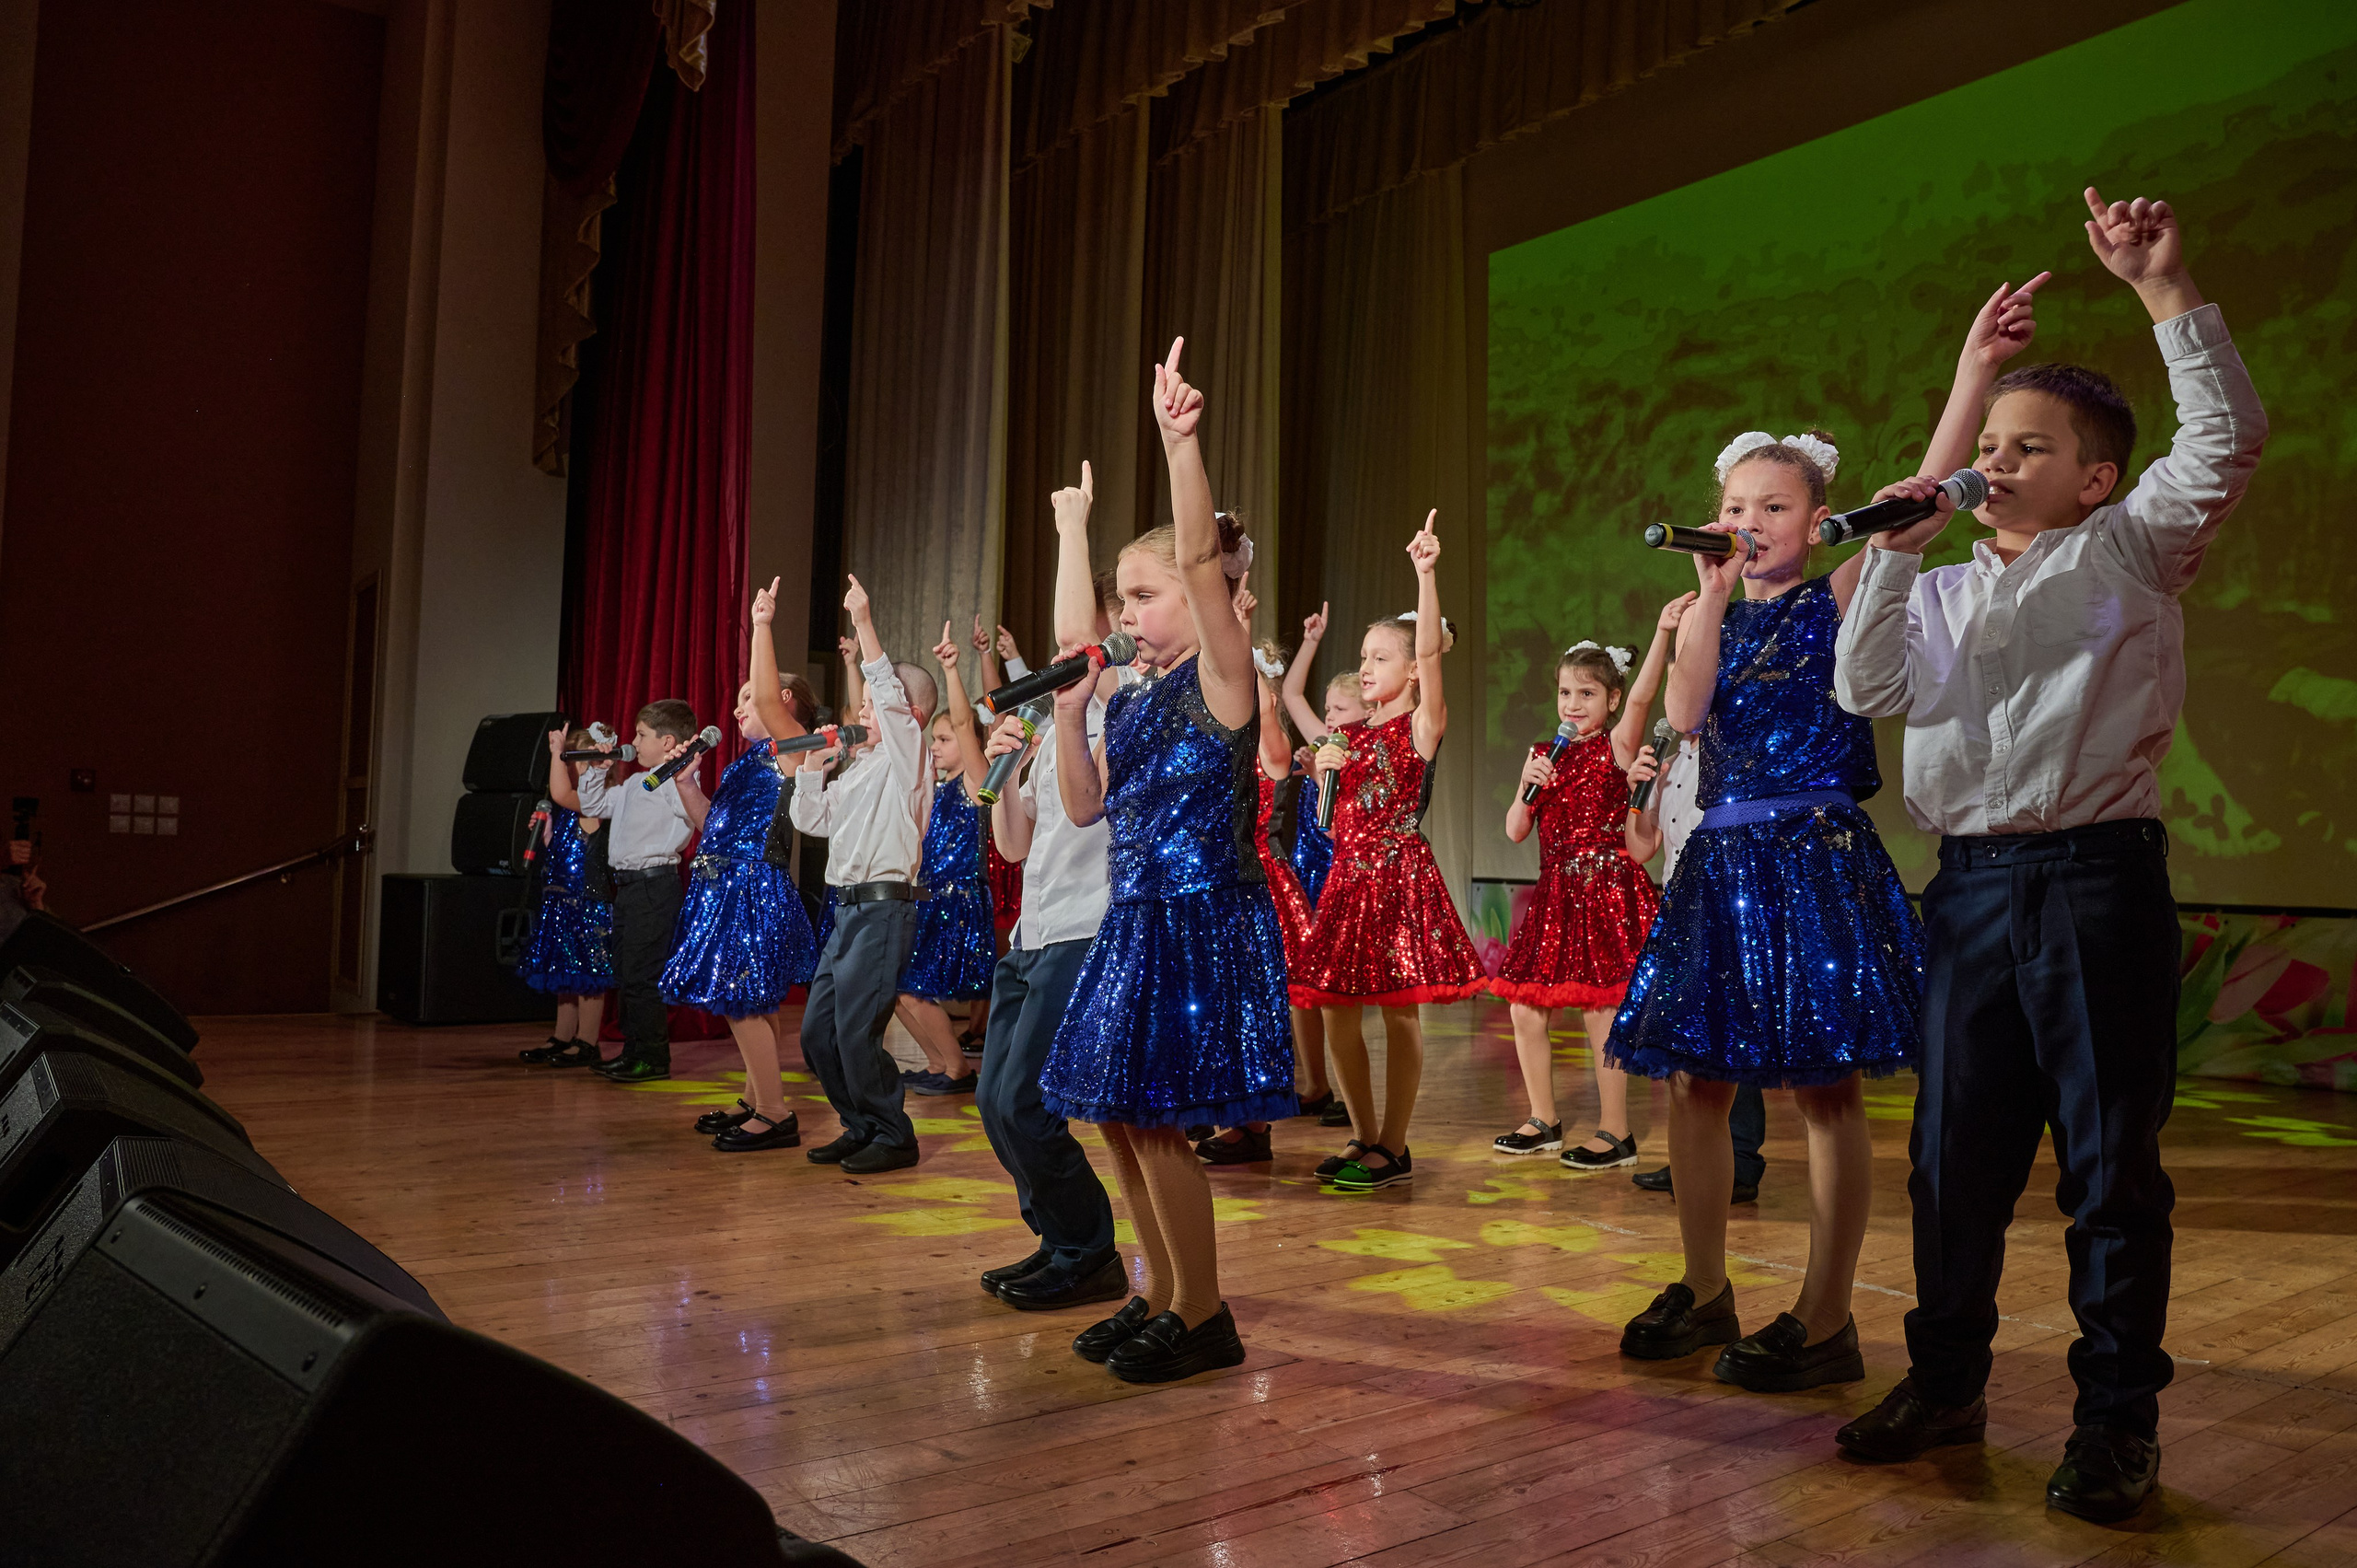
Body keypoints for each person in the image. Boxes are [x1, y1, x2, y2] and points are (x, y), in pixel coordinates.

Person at [1831, 193, 2265, 1525]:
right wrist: (1900, 552)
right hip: (1966, 886)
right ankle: (1946, 1380)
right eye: (1991, 441)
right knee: (1952, 1159)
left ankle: (2115, 1420)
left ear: (2094, 477)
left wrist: (2162, 286)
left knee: (2106, 1169)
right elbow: (1866, 688)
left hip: (2093, 882)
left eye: (2034, 446)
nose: (1999, 461)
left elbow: (2225, 439)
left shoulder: (2132, 549)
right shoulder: (1945, 585)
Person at [1605, 420, 1926, 1394]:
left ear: (1818, 521)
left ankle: (1826, 1315)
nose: (1749, 522)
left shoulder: (1836, 594)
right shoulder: (1715, 612)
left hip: (1813, 852)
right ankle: (1706, 1288)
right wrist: (1703, 600)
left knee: (1826, 1091)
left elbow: (1911, 511)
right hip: (1723, 856)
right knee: (1691, 1082)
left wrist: (1970, 373)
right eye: (1735, 507)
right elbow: (1690, 713)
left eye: (1773, 506)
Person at [1041, 341, 1294, 1383]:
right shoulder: (1136, 697)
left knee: (1163, 1123)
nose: (1126, 612)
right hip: (1136, 914)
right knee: (1117, 1116)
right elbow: (1084, 803)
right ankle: (1155, 1290)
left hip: (1201, 918)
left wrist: (1178, 444)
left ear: (1208, 602)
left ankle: (1204, 1310)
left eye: (1142, 594)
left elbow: (1198, 561)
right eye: (1121, 596)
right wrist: (1065, 711)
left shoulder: (1226, 677)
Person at [1286, 528, 1486, 1193]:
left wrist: (1426, 574)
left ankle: (1393, 1145)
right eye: (1363, 656)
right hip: (1348, 877)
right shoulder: (1344, 737)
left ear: (1409, 670)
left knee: (1400, 1012)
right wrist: (1325, 771)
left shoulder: (1420, 725)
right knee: (1337, 1009)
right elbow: (1295, 728)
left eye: (1380, 656)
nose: (1366, 667)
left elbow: (1429, 650)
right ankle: (1363, 1130)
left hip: (1398, 876)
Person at [971, 463, 1125, 1315]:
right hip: (1032, 932)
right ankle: (1058, 1237)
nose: (1071, 653)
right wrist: (999, 774)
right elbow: (1017, 843)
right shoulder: (1048, 723)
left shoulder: (1123, 706)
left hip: (1085, 927)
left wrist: (1074, 526)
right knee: (996, 1105)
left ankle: (1089, 1248)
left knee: (1027, 1102)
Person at [1487, 606, 1681, 1170]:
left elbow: (1646, 698)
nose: (1573, 704)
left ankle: (1617, 1132)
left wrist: (1662, 631)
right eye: (1566, 693)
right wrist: (1526, 785)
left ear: (1612, 700)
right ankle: (1543, 1118)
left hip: (1606, 889)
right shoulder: (1548, 754)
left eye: (1587, 694)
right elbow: (1516, 829)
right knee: (1525, 1007)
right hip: (1556, 893)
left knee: (1602, 1013)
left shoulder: (1616, 746)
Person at [657, 581, 824, 1151]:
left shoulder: (792, 747)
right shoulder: (749, 760)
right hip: (725, 881)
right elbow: (714, 829)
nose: (737, 708)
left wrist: (762, 625)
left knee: (742, 998)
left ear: (786, 705)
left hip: (752, 885)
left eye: (750, 698)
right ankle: (758, 1099)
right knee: (748, 1000)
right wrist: (686, 787)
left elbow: (773, 706)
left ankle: (776, 1113)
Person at [787, 575, 935, 1176]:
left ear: (909, 712)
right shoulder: (861, 766)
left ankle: (894, 1133)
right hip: (846, 907)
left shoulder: (910, 758)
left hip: (884, 906)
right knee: (818, 1035)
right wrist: (811, 771)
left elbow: (891, 696)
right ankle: (861, 1123)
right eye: (868, 704)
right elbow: (810, 820)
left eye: (878, 705)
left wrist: (865, 622)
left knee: (855, 1030)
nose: (867, 711)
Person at [1196, 605, 1329, 1167]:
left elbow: (1275, 766)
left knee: (1254, 1006)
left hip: (1259, 884)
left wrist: (1266, 704)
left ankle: (1252, 1124)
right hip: (1215, 882)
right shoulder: (1220, 736)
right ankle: (1225, 1112)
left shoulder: (1266, 737)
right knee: (1216, 1004)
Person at [1623, 717, 1766, 1206]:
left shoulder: (1738, 746)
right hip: (1680, 912)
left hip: (1730, 907)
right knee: (1684, 1043)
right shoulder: (1668, 761)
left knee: (1732, 1037)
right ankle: (1694, 1156)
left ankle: (1741, 1160)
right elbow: (1640, 847)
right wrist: (1639, 790)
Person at [546, 700, 706, 1082]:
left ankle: (652, 1058)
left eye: (641, 736)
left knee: (642, 974)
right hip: (630, 889)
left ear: (668, 742)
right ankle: (634, 1051)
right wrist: (597, 770)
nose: (633, 742)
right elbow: (595, 804)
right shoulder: (637, 782)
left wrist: (682, 775)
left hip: (655, 885)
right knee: (626, 970)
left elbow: (692, 815)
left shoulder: (675, 780)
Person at [892, 626, 999, 1097]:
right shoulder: (933, 788)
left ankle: (956, 1067)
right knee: (897, 989)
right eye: (932, 739)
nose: (935, 746)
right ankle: (940, 1061)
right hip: (930, 895)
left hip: (956, 899)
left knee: (912, 987)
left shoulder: (974, 786)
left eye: (944, 739)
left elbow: (961, 723)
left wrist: (953, 670)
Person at [516, 728, 615, 1067]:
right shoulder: (567, 808)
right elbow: (563, 852)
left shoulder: (596, 800)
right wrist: (547, 836)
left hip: (586, 900)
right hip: (559, 898)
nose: (570, 765)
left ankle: (587, 1042)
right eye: (568, 758)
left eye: (576, 758)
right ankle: (563, 1035)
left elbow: (569, 800)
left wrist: (557, 750)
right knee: (564, 972)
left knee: (586, 973)